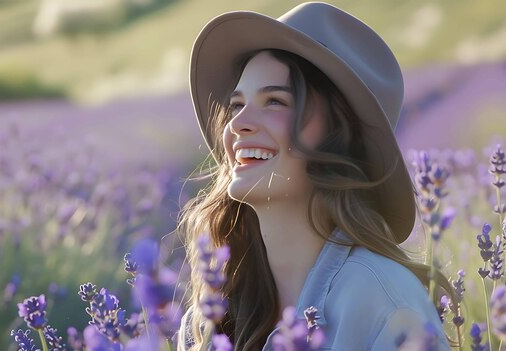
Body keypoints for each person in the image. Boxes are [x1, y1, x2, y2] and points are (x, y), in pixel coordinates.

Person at [177, 2, 456, 351]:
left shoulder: (386, 305)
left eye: (275, 101)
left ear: (337, 136)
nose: (237, 124)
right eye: (236, 105)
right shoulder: (209, 319)